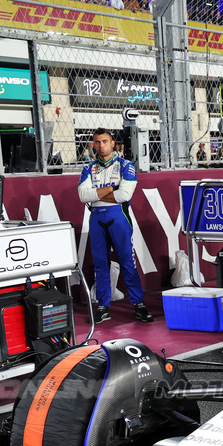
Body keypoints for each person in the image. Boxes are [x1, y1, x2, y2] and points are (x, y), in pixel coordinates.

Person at [77, 128, 152, 324]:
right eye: (97, 142)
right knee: (101, 265)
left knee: (128, 262)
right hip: (96, 220)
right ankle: (103, 307)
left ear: (113, 144)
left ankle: (139, 305)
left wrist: (97, 194)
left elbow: (124, 196)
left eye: (104, 141)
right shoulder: (88, 168)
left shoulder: (126, 165)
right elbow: (82, 196)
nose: (100, 146)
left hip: (119, 218)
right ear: (93, 145)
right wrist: (110, 188)